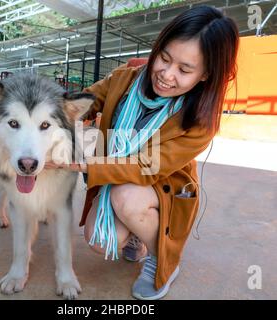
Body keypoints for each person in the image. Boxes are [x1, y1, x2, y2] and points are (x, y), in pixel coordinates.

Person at [45, 5, 239, 300]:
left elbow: (146, 166)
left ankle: (164, 260)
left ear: (204, 75)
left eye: (185, 70)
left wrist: (79, 163)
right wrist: (43, 114)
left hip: (161, 189)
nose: (166, 74)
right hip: (119, 176)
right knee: (98, 241)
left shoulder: (201, 121)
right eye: (164, 58)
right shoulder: (124, 79)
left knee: (127, 197)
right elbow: (83, 101)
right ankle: (139, 232)